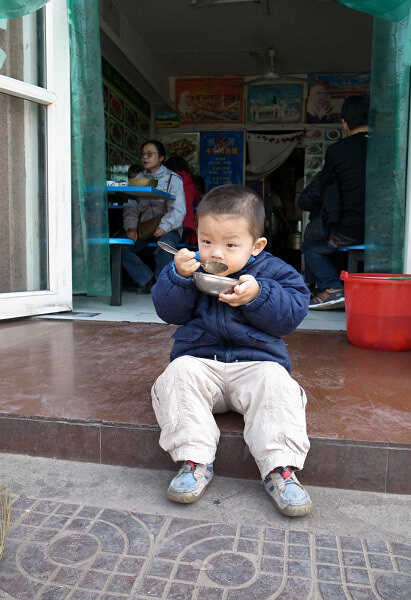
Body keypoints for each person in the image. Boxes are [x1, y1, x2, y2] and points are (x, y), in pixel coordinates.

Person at [151, 184, 313, 517]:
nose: (216, 254)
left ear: (256, 246)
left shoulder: (274, 271)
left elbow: (292, 313)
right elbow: (170, 313)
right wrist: (177, 277)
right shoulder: (193, 267)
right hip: (202, 359)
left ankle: (280, 469)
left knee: (278, 384)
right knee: (176, 376)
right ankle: (193, 461)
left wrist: (259, 296)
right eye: (206, 241)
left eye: (230, 244)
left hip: (256, 363)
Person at [301, 94, 369, 309]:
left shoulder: (338, 150)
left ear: (344, 123)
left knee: (311, 246)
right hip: (386, 229)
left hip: (348, 231)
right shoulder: (386, 148)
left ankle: (331, 287)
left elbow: (324, 186)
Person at [121, 140, 186, 294]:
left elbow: (178, 209)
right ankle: (147, 280)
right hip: (144, 228)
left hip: (169, 228)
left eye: (150, 154)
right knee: (121, 247)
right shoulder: (137, 180)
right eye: (143, 154)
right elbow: (131, 207)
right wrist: (131, 227)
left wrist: (164, 226)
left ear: (161, 157)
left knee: (165, 248)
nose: (145, 157)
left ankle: (163, 287)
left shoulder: (173, 179)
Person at [165, 156, 200, 246]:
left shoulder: (167, 180)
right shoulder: (191, 181)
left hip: (168, 224)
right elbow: (197, 201)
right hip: (187, 227)